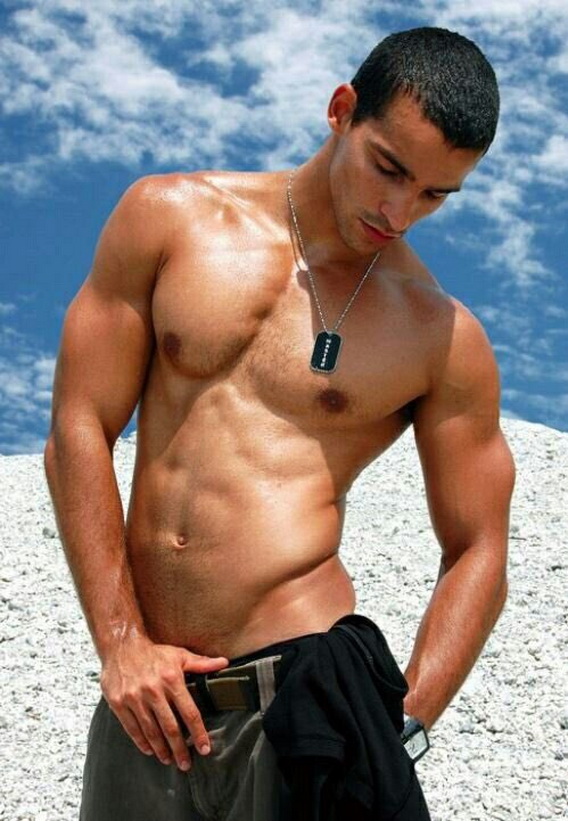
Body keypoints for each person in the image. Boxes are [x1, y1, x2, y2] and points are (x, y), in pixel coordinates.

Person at [44, 26, 515, 821]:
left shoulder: (441, 334)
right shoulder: (170, 220)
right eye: (389, 168)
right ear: (341, 110)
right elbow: (78, 425)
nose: (400, 211)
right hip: (145, 702)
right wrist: (119, 642)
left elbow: (479, 547)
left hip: (303, 700)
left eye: (436, 195)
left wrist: (401, 725)